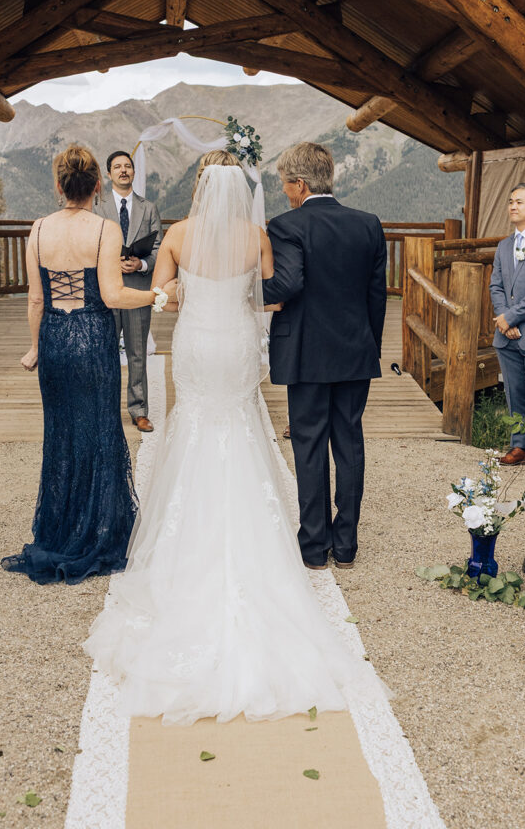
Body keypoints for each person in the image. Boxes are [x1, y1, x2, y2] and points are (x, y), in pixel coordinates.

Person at [84, 151, 373, 725]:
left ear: (198, 189)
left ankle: (188, 537)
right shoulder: (256, 234)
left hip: (196, 342)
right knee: (242, 424)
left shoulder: (177, 235)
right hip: (239, 342)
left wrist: (179, 290)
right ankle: (306, 540)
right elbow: (271, 292)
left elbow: (162, 295)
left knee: (194, 424)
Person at [1, 145, 167, 584]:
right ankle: (100, 531)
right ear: (97, 185)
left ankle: (58, 531)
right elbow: (114, 296)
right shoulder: (104, 229)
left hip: (55, 339)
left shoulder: (37, 230)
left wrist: (35, 348)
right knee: (99, 431)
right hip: (93, 340)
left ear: (59, 187)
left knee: (61, 435)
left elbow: (36, 298)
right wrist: (156, 295)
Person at [262, 142, 387, 570]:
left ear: (299, 183)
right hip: (356, 352)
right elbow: (376, 298)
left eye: (284, 184)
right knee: (348, 442)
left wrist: (235, 289)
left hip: (306, 354)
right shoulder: (368, 224)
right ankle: (347, 545)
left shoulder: (285, 226)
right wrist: (369, 346)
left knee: (309, 443)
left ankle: (314, 547)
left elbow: (286, 285)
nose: (284, 192)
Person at [95, 150, 162, 433]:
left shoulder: (149, 208)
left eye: (128, 166)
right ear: (108, 173)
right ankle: (105, 411)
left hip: (137, 290)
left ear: (134, 172)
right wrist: (112, 262)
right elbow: (91, 245)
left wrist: (142, 263)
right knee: (105, 352)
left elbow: (159, 248)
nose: (123, 170)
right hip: (106, 291)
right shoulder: (97, 208)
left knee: (137, 353)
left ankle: (139, 410)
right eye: (117, 167)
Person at [489, 182, 525, 466]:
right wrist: (503, 318)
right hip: (507, 335)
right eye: (510, 201)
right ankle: (520, 446)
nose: (512, 206)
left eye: (519, 201)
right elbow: (496, 285)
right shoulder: (504, 245)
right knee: (514, 390)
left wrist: (512, 316)